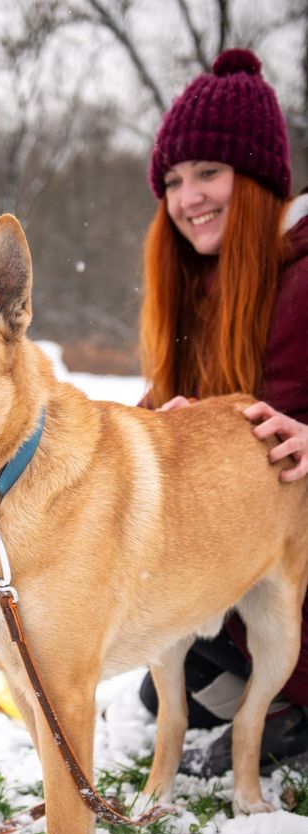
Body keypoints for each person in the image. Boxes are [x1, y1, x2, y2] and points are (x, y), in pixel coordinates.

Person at [138, 47, 308, 775]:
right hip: (236, 559)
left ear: (260, 178)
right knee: (159, 686)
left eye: (208, 172)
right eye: (174, 180)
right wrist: (158, 430)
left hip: (296, 552)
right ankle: (273, 702)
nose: (187, 197)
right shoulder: (195, 290)